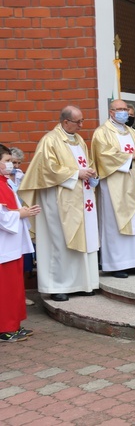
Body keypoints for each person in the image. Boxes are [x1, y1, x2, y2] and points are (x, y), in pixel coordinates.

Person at [17, 106, 100, 301]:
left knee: (83, 238)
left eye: (82, 121)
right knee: (59, 241)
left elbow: (84, 162)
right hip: (58, 199)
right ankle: (57, 286)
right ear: (65, 122)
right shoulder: (49, 140)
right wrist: (76, 174)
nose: (81, 125)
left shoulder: (78, 139)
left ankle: (82, 283)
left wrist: (89, 172)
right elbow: (46, 169)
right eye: (78, 122)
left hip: (81, 197)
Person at [91, 99, 135, 279]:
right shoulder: (102, 133)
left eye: (125, 109)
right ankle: (115, 264)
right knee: (115, 222)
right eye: (119, 109)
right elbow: (103, 156)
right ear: (111, 112)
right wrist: (129, 156)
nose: (123, 112)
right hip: (114, 184)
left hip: (133, 181)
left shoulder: (132, 132)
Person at [0, 144, 40, 342]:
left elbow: (10, 208)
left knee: (15, 287)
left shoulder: (5, 182)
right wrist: (22, 213)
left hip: (12, 243)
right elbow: (1, 215)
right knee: (5, 289)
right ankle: (4, 329)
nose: (10, 165)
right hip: (3, 245)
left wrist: (23, 211)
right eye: (6, 161)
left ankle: (14, 324)